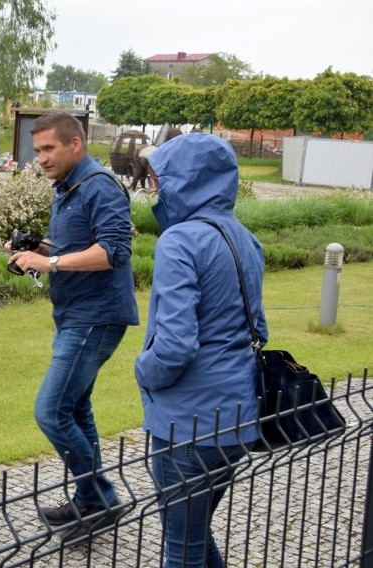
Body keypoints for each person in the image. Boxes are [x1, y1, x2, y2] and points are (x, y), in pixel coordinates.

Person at [135, 133, 268, 567]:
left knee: (182, 548)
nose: (154, 189)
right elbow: (258, 328)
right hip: (236, 417)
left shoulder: (179, 241)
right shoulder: (245, 238)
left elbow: (174, 346)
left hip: (187, 422)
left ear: (183, 181)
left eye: (159, 179)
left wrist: (143, 371)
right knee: (192, 533)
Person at [7, 111, 139, 530]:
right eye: (38, 150)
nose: (40, 158)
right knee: (76, 407)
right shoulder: (66, 187)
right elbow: (72, 247)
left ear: (75, 145)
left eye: (48, 148)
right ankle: (91, 500)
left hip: (95, 318)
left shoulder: (100, 187)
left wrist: (49, 263)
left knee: (51, 411)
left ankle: (101, 498)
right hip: (74, 315)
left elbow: (113, 252)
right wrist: (37, 249)